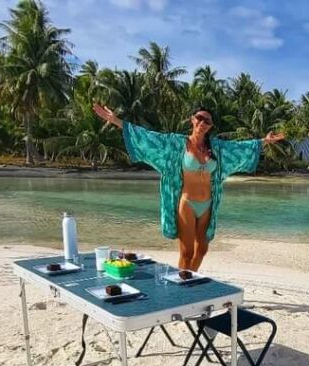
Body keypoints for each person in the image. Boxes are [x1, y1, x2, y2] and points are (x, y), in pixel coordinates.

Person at [93, 104, 285, 270]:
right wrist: (116, 120)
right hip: (187, 203)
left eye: (207, 121)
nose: (202, 122)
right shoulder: (177, 144)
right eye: (199, 118)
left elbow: (240, 148)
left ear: (210, 126)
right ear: (192, 119)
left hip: (207, 204)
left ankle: (188, 280)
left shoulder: (216, 148)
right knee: (187, 252)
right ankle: (182, 285)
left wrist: (265, 141)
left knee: (202, 250)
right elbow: (148, 138)